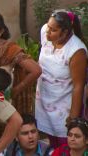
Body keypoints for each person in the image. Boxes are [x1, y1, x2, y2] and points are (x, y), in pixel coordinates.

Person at [35, 10, 87, 148]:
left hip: (63, 108)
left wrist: (73, 119)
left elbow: (78, 86)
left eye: (53, 30)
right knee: (50, 145)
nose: (47, 32)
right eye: (48, 27)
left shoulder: (77, 51)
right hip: (44, 102)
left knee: (65, 146)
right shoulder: (45, 32)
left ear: (65, 32)